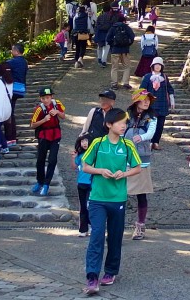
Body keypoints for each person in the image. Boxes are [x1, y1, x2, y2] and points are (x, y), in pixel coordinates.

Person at [80, 108, 142, 296]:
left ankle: (111, 271)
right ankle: (92, 277)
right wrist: (100, 171)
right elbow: (85, 165)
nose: (124, 125)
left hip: (118, 199)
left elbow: (137, 167)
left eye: (125, 122)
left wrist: (124, 173)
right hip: (98, 198)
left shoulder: (127, 145)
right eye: (121, 122)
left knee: (115, 237)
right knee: (97, 235)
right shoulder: (97, 143)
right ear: (109, 124)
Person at [124, 88, 158, 241]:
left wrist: (141, 137)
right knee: (120, 193)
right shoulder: (127, 115)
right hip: (125, 158)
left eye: (148, 99)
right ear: (136, 100)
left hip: (142, 159)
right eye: (143, 99)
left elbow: (151, 133)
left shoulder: (152, 117)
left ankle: (140, 225)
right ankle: (117, 224)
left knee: (141, 194)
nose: (146, 102)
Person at [31, 87, 66, 196]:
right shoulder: (39, 109)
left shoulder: (57, 103)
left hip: (56, 135)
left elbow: (63, 116)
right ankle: (40, 181)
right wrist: (44, 120)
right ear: (40, 99)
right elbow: (32, 125)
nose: (46, 100)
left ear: (51, 97)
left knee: (52, 160)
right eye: (43, 98)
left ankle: (46, 184)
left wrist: (57, 112)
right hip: (44, 136)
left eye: (48, 97)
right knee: (40, 160)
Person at [139, 57, 175, 150]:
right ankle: (149, 141)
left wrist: (172, 99)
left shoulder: (165, 77)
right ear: (153, 66)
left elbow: (170, 89)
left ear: (162, 66)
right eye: (156, 64)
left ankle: (156, 142)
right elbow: (142, 90)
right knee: (150, 124)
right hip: (150, 104)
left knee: (160, 124)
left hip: (162, 104)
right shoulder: (147, 77)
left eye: (160, 65)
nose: (158, 66)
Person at [107, 13, 136, 90]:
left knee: (114, 67)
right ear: (124, 21)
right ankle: (126, 83)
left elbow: (108, 38)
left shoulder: (113, 28)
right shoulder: (126, 27)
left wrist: (113, 45)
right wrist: (128, 44)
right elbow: (132, 37)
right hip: (125, 50)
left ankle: (114, 84)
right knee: (126, 66)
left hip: (115, 50)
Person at [74, 134, 93, 237]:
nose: (84, 143)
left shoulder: (94, 154)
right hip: (81, 183)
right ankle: (83, 229)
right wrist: (73, 157)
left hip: (92, 183)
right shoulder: (80, 155)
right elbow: (74, 166)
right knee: (82, 207)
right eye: (82, 141)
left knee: (90, 205)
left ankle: (92, 226)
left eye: (86, 140)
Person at [94, 2, 121, 68]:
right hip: (108, 33)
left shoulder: (99, 16)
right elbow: (114, 25)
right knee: (106, 48)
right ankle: (103, 61)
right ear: (110, 10)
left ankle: (99, 58)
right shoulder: (112, 16)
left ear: (103, 10)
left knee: (99, 47)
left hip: (100, 33)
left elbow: (96, 26)